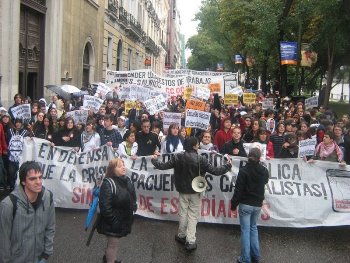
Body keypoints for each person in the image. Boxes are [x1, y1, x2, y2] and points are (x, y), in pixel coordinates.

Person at [151, 136, 232, 251]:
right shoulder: (201, 159)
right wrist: (228, 166)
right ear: (194, 146)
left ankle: (181, 235)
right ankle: (190, 241)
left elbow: (163, 166)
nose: (199, 146)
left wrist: (154, 160)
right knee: (193, 215)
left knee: (183, 213)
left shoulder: (178, 157)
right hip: (196, 191)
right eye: (198, 144)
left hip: (182, 190)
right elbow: (215, 171)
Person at [0, 161, 55, 262]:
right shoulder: (8, 205)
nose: (38, 182)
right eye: (32, 179)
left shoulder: (48, 197)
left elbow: (50, 227)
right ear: (23, 181)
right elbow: (3, 240)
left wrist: (46, 253)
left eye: (40, 177)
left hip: (39, 257)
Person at [231, 148, 269, 263]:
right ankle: (256, 256)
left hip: (245, 204)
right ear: (259, 158)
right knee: (253, 228)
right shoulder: (264, 170)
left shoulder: (243, 171)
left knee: (245, 231)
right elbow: (265, 181)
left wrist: (233, 205)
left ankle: (245, 258)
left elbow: (238, 190)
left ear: (248, 156)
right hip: (257, 204)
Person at [97, 158, 137, 263]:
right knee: (113, 244)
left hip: (122, 219)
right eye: (119, 166)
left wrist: (133, 205)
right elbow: (105, 206)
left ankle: (110, 258)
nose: (123, 167)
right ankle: (110, 260)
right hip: (112, 221)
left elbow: (132, 195)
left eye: (123, 165)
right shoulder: (108, 183)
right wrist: (113, 221)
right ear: (112, 170)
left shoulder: (127, 180)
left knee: (114, 242)